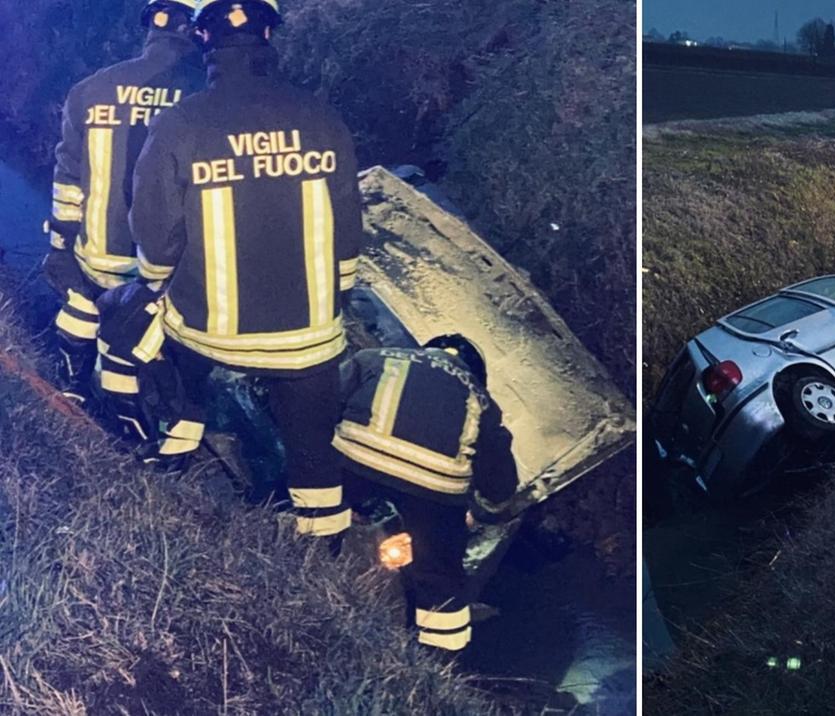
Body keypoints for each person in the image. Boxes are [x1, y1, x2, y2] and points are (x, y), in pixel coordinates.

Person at [129, 0, 363, 539]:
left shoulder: (179, 123)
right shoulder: (322, 118)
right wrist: (337, 295)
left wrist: (153, 286)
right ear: (270, 38)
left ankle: (175, 448)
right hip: (311, 340)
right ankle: (323, 542)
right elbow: (348, 221)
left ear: (206, 44)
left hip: (209, 334)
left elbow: (156, 226)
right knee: (312, 448)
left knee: (156, 343)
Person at [44, 0, 204, 405]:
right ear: (195, 29)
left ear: (151, 23)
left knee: (82, 308)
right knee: (138, 348)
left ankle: (71, 387)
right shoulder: (204, 97)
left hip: (94, 253)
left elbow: (68, 177)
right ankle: (135, 425)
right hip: (160, 269)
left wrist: (62, 242)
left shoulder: (92, 89)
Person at [333, 337, 518, 652]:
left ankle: (291, 550)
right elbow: (499, 480)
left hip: (354, 461)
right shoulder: (482, 400)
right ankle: (436, 659)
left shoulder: (376, 358)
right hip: (433, 492)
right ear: (474, 372)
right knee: (441, 577)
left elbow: (323, 400)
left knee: (307, 501)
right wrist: (486, 511)